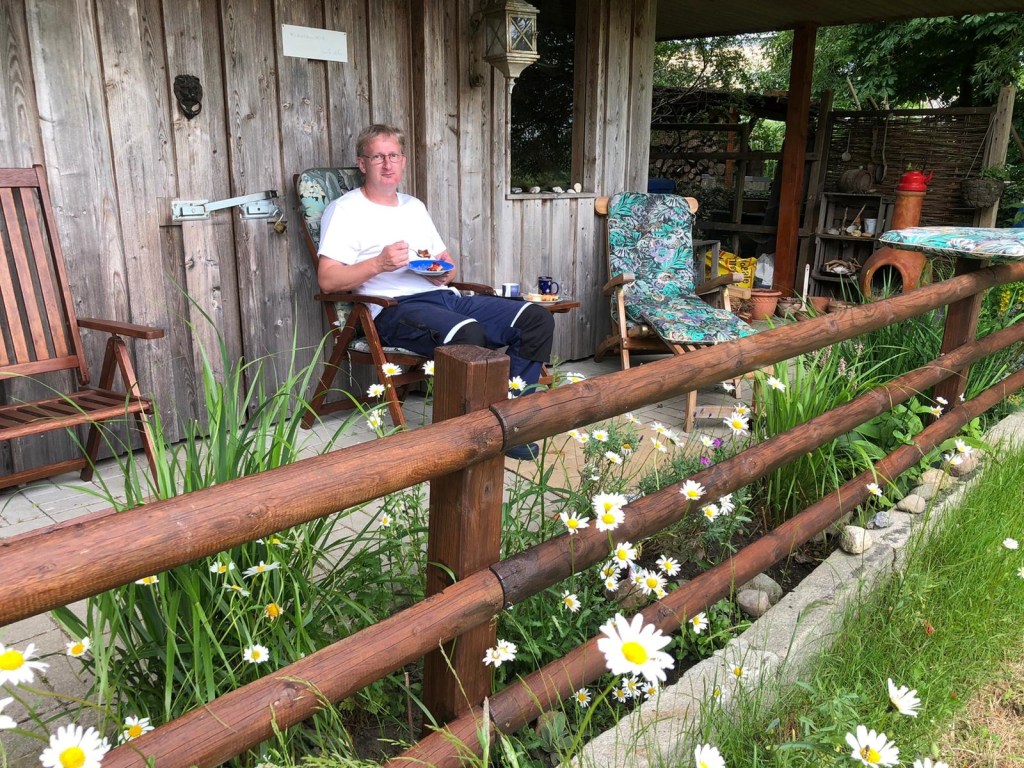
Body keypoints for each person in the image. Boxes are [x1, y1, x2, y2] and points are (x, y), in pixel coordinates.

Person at [317, 124, 554, 460]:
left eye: (393, 155)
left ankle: (511, 420)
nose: (388, 164)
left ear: (403, 160)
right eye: (378, 157)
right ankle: (477, 432)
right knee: (468, 333)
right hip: (392, 308)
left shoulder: (414, 206)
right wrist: (379, 263)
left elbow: (444, 263)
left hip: (444, 298)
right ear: (362, 163)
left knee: (536, 320)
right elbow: (327, 280)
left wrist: (444, 273)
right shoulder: (345, 210)